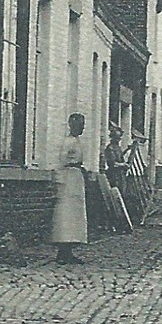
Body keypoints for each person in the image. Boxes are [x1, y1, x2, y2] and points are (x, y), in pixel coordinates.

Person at [50, 113, 90, 264]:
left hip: (76, 178)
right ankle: (62, 251)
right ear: (71, 125)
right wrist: (59, 181)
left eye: (83, 124)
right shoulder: (67, 142)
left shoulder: (77, 141)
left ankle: (69, 250)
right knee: (65, 215)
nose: (82, 128)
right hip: (67, 179)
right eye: (79, 125)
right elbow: (61, 161)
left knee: (75, 216)